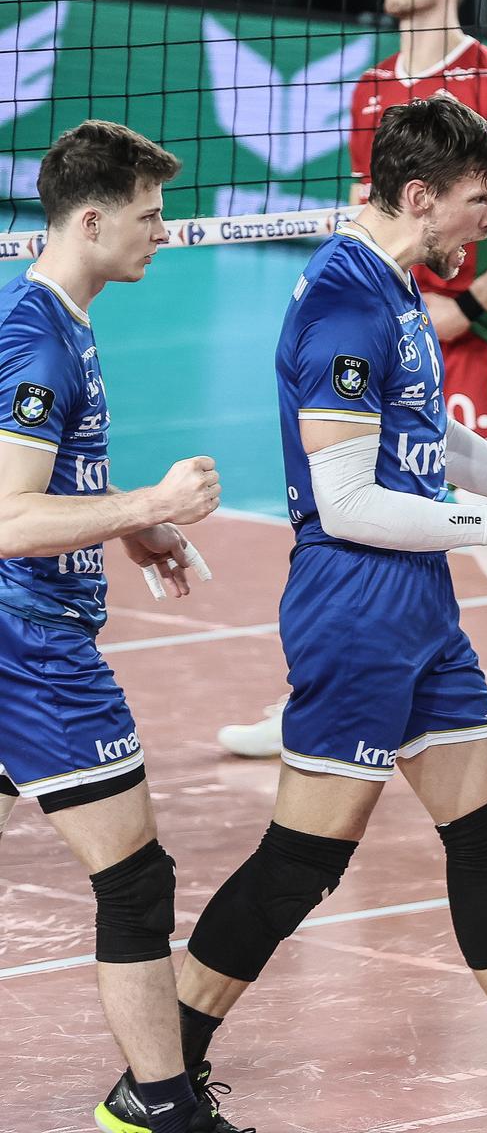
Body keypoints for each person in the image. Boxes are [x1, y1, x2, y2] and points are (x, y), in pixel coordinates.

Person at [99, 96, 487, 1133]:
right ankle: (161, 1073)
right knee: (302, 860)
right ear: (419, 195)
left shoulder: (398, 287)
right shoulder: (344, 302)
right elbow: (346, 501)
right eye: (482, 200)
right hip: (357, 607)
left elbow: (431, 439)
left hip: (418, 604)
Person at [217, 0, 487, 805]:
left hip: (467, 337)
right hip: (387, 328)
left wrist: (467, 305)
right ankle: (316, 693)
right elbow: (371, 213)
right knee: (341, 494)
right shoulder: (374, 86)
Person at [0, 121, 227, 1132]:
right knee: (135, 879)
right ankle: (162, 1104)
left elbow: (41, 474)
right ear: (90, 221)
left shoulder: (51, 316)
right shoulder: (38, 336)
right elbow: (7, 516)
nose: (163, 232)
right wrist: (150, 503)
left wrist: (124, 527)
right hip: (30, 643)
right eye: (149, 215)